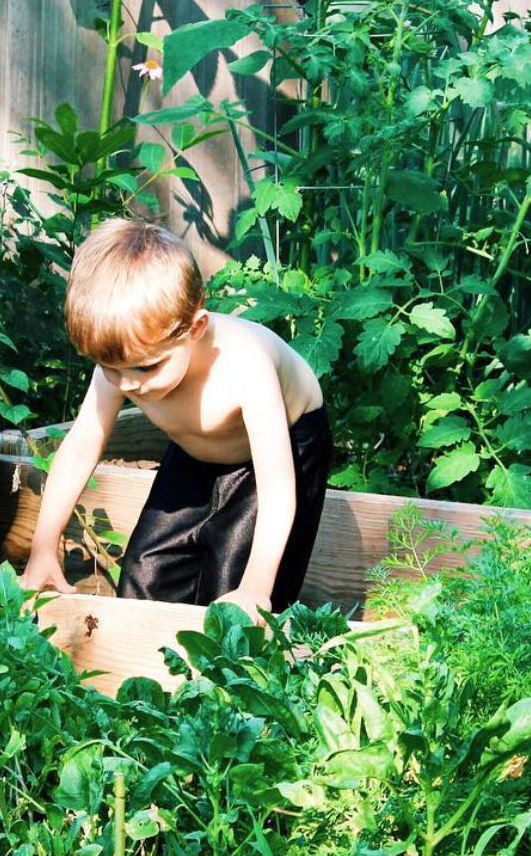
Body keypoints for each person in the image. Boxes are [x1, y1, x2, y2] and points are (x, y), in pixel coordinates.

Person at [19, 218, 331, 620]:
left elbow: (277, 487)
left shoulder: (245, 366)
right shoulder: (125, 363)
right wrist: (44, 545)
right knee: (145, 573)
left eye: (147, 368)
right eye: (111, 369)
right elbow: (80, 448)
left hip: (283, 452)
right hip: (196, 450)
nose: (129, 384)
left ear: (195, 327)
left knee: (235, 590)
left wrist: (255, 589)